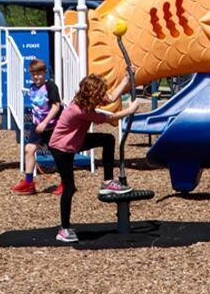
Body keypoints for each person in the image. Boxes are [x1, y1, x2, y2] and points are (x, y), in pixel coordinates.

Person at [47, 73, 140, 243]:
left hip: (76, 141)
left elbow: (111, 97)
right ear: (93, 94)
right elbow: (110, 118)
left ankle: (107, 182)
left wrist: (126, 79)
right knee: (69, 188)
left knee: (108, 140)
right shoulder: (79, 110)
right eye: (100, 93)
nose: (103, 96)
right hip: (61, 148)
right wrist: (130, 110)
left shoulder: (88, 100)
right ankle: (64, 229)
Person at [13, 59, 61, 195]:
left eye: (39, 74)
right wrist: (37, 122)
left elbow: (56, 106)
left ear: (45, 73)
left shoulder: (50, 86)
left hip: (51, 126)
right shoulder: (31, 88)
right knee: (29, 149)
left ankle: (66, 182)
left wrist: (45, 122)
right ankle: (29, 182)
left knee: (58, 155)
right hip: (37, 126)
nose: (36, 77)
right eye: (34, 74)